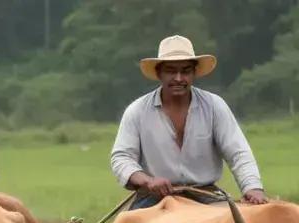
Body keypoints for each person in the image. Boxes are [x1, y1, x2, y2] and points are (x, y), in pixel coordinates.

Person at [110, 35, 268, 210]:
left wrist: (253, 188)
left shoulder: (214, 106)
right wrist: (148, 181)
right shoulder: (137, 110)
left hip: (206, 195)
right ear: (158, 73)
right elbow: (122, 157)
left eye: (185, 71)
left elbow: (238, 153)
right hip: (154, 197)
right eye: (171, 71)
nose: (178, 78)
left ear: (194, 73)